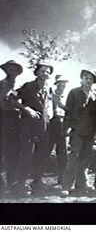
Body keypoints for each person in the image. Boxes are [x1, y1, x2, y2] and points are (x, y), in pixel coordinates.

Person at [12, 62, 54, 195]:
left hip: (43, 126)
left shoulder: (48, 88)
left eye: (48, 72)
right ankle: (21, 184)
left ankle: (37, 182)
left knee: (41, 155)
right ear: (36, 73)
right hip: (29, 125)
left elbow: (48, 105)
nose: (45, 74)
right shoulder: (28, 86)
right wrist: (26, 108)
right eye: (43, 71)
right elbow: (12, 98)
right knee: (27, 154)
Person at [61, 69, 96, 196]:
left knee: (86, 158)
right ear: (82, 79)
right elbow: (68, 112)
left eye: (91, 78)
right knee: (74, 157)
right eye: (86, 78)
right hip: (77, 130)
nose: (88, 80)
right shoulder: (74, 92)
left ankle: (82, 183)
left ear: (93, 81)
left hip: (90, 131)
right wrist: (67, 128)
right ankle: (67, 185)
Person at [0, 60, 23, 193]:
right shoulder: (2, 85)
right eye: (10, 69)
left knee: (14, 152)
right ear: (6, 70)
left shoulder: (20, 86)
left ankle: (12, 181)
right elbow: (3, 105)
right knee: (2, 150)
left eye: (15, 69)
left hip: (17, 122)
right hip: (3, 120)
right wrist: (16, 105)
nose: (12, 71)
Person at [47, 74, 69, 185]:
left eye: (64, 83)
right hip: (51, 124)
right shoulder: (50, 94)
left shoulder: (68, 95)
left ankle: (62, 176)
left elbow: (69, 110)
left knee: (63, 152)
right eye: (60, 83)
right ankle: (38, 178)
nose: (62, 85)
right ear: (56, 84)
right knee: (46, 150)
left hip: (63, 123)